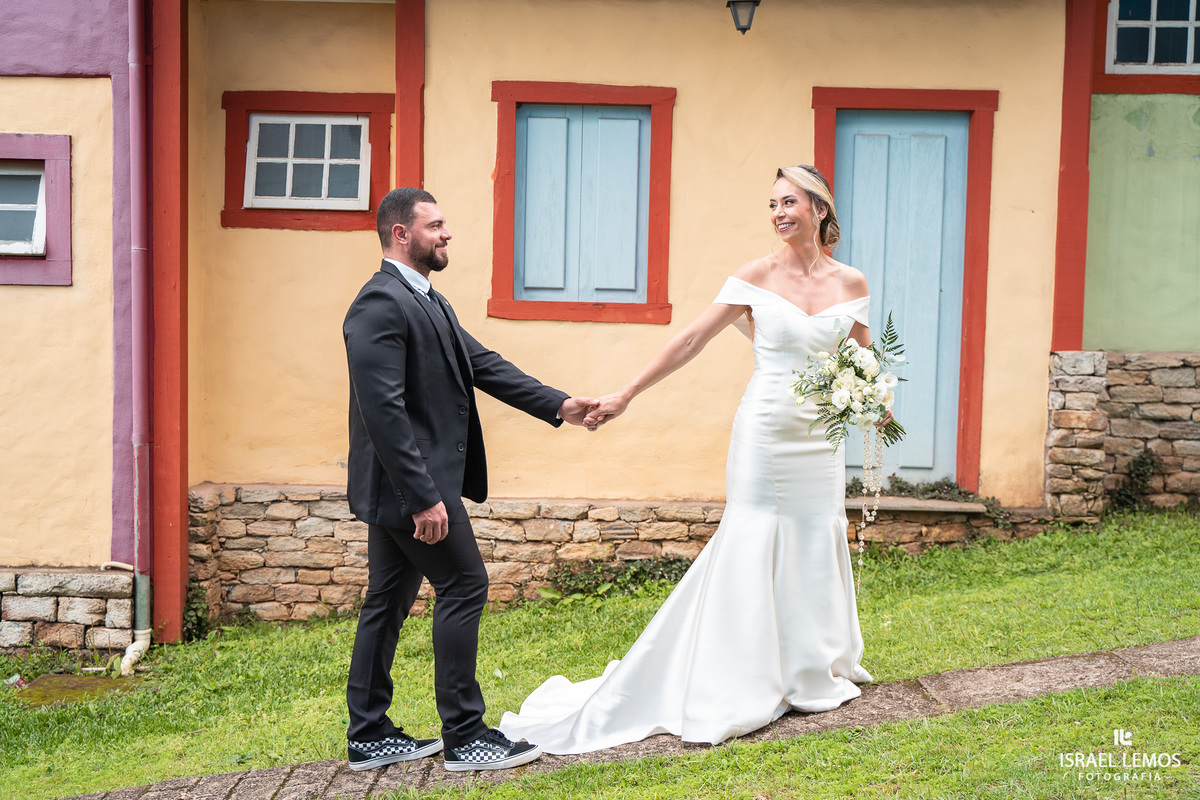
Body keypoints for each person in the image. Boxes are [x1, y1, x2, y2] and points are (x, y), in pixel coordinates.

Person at [499, 166, 876, 754]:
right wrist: (626, 393)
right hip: (767, 432)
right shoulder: (755, 276)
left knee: (812, 535)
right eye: (772, 203)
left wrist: (876, 403)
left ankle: (809, 667)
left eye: (790, 202)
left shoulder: (850, 282)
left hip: (821, 439)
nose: (779, 213)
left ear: (820, 209)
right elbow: (691, 339)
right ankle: (744, 672)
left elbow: (861, 357)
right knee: (753, 536)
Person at [342, 187, 595, 771]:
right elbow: (382, 409)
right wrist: (423, 496)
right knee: (464, 586)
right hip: (413, 487)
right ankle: (464, 735)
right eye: (435, 225)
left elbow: (482, 364)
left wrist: (561, 405)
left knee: (388, 598)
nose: (447, 233)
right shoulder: (379, 304)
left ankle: (369, 733)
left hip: (411, 486)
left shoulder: (428, 300)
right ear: (401, 235)